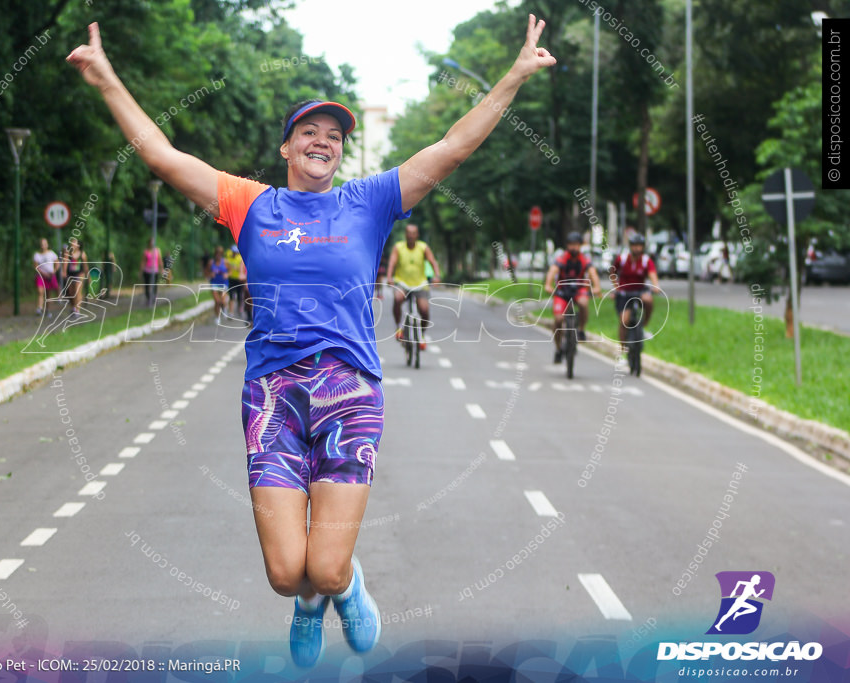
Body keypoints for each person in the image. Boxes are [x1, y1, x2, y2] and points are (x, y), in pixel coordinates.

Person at [67, 15, 555, 668]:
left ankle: (341, 586)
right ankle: (304, 601)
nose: (323, 142)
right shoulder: (251, 205)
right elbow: (161, 154)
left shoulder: (370, 201)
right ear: (287, 148)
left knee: (324, 568)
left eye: (333, 136)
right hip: (271, 398)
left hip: (350, 392)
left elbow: (453, 146)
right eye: (309, 133)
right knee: (283, 571)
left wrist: (515, 76)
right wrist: (105, 79)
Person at [544, 232, 601, 363]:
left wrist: (596, 287)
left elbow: (593, 273)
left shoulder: (584, 259)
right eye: (571, 245)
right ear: (567, 246)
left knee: (583, 303)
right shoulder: (562, 259)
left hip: (578, 291)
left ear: (580, 246)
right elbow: (552, 271)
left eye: (576, 245)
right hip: (562, 292)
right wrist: (548, 285)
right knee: (558, 320)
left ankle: (581, 330)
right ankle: (558, 348)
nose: (573, 248)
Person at [387, 224, 441, 350]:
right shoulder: (398, 247)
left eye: (413, 233)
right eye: (408, 233)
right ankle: (399, 327)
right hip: (402, 283)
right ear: (405, 235)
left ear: (417, 235)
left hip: (420, 284)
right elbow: (392, 263)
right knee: (398, 299)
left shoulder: (423, 247)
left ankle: (421, 335)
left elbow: (433, 262)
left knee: (424, 310)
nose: (411, 236)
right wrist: (389, 277)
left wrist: (437, 275)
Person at [609, 234, 659, 351]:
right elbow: (612, 272)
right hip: (624, 293)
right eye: (634, 246)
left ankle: (644, 325)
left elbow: (653, 274)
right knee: (624, 321)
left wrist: (656, 286)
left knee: (649, 300)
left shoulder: (646, 260)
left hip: (640, 291)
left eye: (639, 246)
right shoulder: (622, 259)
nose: (637, 248)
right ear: (630, 246)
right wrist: (616, 288)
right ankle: (623, 348)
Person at [61, 237, 88, 320]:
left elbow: (85, 266)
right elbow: (65, 262)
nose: (72, 244)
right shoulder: (68, 253)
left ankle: (77, 310)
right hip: (70, 274)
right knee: (71, 293)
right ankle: (73, 307)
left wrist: (87, 275)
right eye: (72, 242)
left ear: (78, 245)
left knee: (77, 291)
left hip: (79, 274)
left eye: (74, 242)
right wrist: (64, 272)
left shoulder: (82, 254)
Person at [33, 238, 59, 316]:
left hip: (50, 275)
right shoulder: (37, 255)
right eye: (41, 244)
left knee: (48, 293)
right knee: (40, 291)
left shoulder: (51, 253)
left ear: (47, 245)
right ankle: (40, 308)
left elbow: (57, 263)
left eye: (44, 244)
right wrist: (43, 273)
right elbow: (36, 266)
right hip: (41, 275)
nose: (43, 246)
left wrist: (54, 271)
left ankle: (47, 309)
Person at [206, 245, 229, 322]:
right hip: (214, 283)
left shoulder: (225, 262)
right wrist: (210, 275)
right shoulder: (211, 262)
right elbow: (206, 272)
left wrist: (227, 274)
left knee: (222, 301)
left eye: (220, 254)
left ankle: (224, 308)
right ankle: (217, 317)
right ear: (215, 254)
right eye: (217, 253)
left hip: (223, 283)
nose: (218, 255)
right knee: (217, 301)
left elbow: (230, 271)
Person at [141, 238, 162, 307]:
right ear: (149, 243)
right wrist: (141, 270)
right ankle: (148, 298)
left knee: (154, 284)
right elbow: (143, 261)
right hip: (147, 270)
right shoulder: (146, 251)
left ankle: (154, 297)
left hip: (155, 270)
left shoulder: (157, 250)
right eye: (151, 242)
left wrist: (161, 269)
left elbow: (159, 260)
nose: (152, 244)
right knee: (147, 285)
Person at [225, 244, 244, 316]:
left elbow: (242, 269)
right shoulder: (228, 258)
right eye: (233, 252)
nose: (234, 253)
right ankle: (231, 311)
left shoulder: (240, 259)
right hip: (231, 279)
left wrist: (236, 268)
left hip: (239, 280)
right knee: (231, 296)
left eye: (235, 252)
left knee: (239, 296)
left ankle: (240, 310)